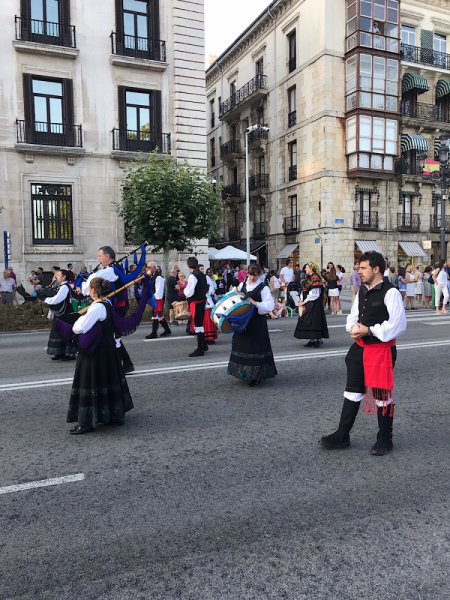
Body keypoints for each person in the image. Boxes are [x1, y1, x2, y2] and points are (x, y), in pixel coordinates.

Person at [319, 251, 407, 456]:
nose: (359, 271)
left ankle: (385, 438)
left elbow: (398, 325)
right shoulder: (362, 291)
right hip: (360, 348)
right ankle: (343, 434)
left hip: (381, 350)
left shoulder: (390, 292)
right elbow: (354, 315)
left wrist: (370, 330)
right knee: (352, 390)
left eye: (363, 267)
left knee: (381, 396)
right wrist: (353, 328)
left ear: (376, 269)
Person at [66, 278, 134, 435]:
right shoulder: (107, 303)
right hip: (108, 348)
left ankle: (88, 422)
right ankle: (115, 415)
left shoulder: (96, 307)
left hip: (97, 351)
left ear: (93, 291)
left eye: (89, 288)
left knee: (91, 382)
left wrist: (77, 321)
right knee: (108, 380)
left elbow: (81, 328)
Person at [82, 245, 147, 373]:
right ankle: (123, 364)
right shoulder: (112, 269)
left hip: (115, 307)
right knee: (110, 334)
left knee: (111, 335)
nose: (98, 258)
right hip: (116, 306)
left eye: (100, 256)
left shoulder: (110, 271)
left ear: (107, 257)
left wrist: (83, 288)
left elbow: (92, 280)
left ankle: (122, 364)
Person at [227, 263, 277, 386]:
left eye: (254, 275)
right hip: (244, 322)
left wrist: (255, 303)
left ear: (259, 274)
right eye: (249, 275)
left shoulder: (263, 288)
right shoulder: (242, 285)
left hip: (256, 322)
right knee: (243, 346)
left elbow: (270, 306)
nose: (251, 278)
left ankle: (256, 376)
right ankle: (243, 372)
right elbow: (233, 296)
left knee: (255, 348)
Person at [43, 270, 77, 361]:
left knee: (66, 332)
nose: (56, 277)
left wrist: (45, 299)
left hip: (66, 313)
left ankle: (70, 353)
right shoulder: (60, 286)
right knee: (58, 331)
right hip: (60, 312)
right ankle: (59, 351)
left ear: (64, 276)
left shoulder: (65, 287)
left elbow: (57, 299)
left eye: (58, 275)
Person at [294, 262, 329, 348]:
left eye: (307, 267)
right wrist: (301, 299)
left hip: (314, 303)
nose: (305, 269)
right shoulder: (308, 278)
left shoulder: (315, 277)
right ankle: (312, 339)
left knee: (314, 321)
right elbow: (304, 290)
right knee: (308, 320)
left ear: (311, 268)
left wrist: (304, 301)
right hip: (308, 302)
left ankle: (318, 339)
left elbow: (315, 294)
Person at [184, 256, 208, 357]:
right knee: (200, 323)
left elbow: (189, 292)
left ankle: (200, 349)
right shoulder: (202, 275)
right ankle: (204, 345)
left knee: (198, 325)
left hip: (196, 302)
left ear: (188, 266)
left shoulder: (193, 276)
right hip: (202, 300)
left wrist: (184, 293)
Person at [145, 262, 171, 339]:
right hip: (154, 298)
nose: (148, 269)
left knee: (156, 314)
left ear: (154, 267)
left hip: (157, 298)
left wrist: (152, 299)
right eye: (148, 267)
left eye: (150, 267)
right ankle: (167, 330)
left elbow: (159, 291)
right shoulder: (152, 276)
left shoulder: (158, 277)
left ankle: (154, 333)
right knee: (158, 315)